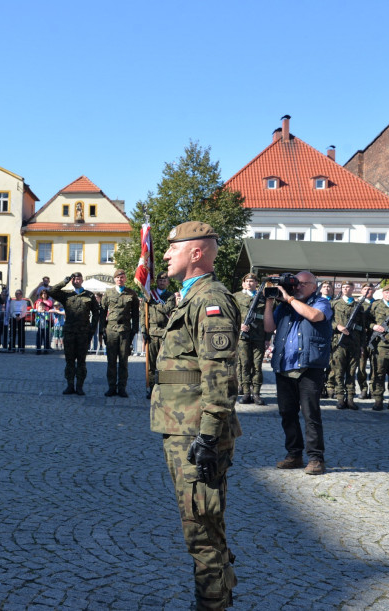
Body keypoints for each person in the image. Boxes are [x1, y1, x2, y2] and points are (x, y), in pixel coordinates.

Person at [151, 221, 239, 611]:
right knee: (203, 518)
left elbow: (219, 376)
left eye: (173, 248)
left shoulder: (210, 301)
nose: (166, 254)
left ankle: (212, 603)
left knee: (200, 524)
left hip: (195, 432)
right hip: (180, 425)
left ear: (196, 253)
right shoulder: (189, 298)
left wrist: (207, 436)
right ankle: (219, 592)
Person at [263, 271, 332, 475]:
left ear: (314, 286)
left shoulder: (322, 302)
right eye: (295, 284)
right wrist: (269, 301)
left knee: (311, 414)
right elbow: (269, 326)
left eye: (302, 284)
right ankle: (294, 454)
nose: (297, 287)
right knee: (287, 413)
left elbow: (314, 316)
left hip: (309, 367)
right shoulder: (284, 306)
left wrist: (289, 298)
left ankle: (316, 458)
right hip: (284, 365)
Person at [47, 272, 101, 395]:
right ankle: (70, 385)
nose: (76, 281)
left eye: (78, 279)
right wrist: (64, 281)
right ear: (72, 281)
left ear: (82, 280)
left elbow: (96, 314)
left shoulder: (89, 295)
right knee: (69, 360)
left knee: (81, 361)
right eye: (74, 279)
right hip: (70, 332)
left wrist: (92, 330)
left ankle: (80, 386)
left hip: (83, 333)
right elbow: (52, 292)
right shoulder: (66, 295)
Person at [100, 268, 139, 397]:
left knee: (123, 361)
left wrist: (134, 329)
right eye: (117, 277)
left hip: (125, 331)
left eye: (122, 277)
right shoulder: (108, 293)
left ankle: (122, 387)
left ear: (125, 279)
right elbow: (102, 312)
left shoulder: (131, 294)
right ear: (114, 279)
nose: (120, 279)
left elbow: (135, 314)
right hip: (111, 331)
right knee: (111, 361)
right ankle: (111, 387)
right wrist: (102, 329)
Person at [329, 281, 363, 410]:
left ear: (353, 288)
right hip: (339, 342)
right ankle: (340, 398)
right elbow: (328, 320)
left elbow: (362, 326)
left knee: (351, 371)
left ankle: (350, 398)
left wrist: (362, 345)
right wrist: (337, 326)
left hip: (354, 342)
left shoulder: (358, 306)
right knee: (339, 371)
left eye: (348, 287)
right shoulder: (334, 304)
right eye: (343, 287)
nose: (346, 289)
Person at [234, 273, 267, 405]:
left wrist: (268, 337)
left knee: (257, 366)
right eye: (247, 281)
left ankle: (257, 393)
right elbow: (231, 315)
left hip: (259, 336)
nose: (249, 283)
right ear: (243, 283)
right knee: (245, 365)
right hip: (243, 337)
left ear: (257, 283)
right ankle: (246, 393)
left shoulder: (264, 298)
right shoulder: (236, 297)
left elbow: (268, 317)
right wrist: (239, 325)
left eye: (252, 281)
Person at [142, 274, 174, 399]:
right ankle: (151, 388)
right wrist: (144, 330)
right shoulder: (149, 295)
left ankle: (163, 388)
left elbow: (167, 309)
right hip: (152, 333)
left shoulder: (170, 296)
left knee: (164, 363)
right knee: (151, 364)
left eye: (164, 280)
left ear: (168, 282)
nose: (161, 282)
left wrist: (153, 303)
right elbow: (143, 315)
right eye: (160, 280)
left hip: (165, 333)